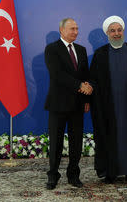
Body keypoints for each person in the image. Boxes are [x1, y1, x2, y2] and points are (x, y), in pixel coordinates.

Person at [89, 16, 127, 184]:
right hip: (109, 106)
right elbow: (93, 79)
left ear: (123, 31)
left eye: (119, 30)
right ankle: (111, 172)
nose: (116, 33)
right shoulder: (100, 54)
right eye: (112, 31)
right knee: (110, 135)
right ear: (107, 33)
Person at [44, 18, 92, 190]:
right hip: (57, 104)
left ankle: (73, 174)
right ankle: (53, 175)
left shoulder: (81, 49)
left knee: (76, 142)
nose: (76, 32)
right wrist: (80, 86)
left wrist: (87, 98)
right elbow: (57, 74)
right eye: (72, 28)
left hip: (77, 105)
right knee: (56, 142)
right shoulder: (52, 49)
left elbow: (85, 75)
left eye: (77, 29)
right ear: (61, 30)